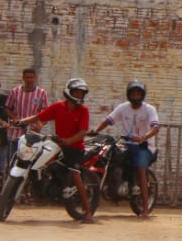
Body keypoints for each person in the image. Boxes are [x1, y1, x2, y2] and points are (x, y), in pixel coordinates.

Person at [16, 78, 94, 224]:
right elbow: (39, 117)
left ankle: (88, 211)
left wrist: (69, 141)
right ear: (69, 92)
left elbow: (83, 131)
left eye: (81, 93)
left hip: (75, 148)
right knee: (38, 158)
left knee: (75, 174)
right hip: (57, 144)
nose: (78, 95)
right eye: (76, 92)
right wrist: (20, 121)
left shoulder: (83, 110)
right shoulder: (58, 107)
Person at [92, 80, 159, 219]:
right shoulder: (123, 108)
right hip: (127, 145)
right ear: (129, 95)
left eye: (138, 94)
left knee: (141, 168)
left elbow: (155, 127)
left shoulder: (149, 109)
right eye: (133, 94)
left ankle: (145, 209)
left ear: (142, 95)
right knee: (108, 158)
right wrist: (95, 131)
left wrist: (144, 137)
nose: (136, 96)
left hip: (144, 146)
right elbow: (109, 120)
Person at [5, 67, 49, 160]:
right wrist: (15, 118)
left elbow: (46, 113)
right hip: (15, 132)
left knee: (27, 160)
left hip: (32, 133)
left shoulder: (42, 93)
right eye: (27, 77)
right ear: (23, 78)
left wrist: (40, 125)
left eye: (31, 77)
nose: (29, 80)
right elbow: (7, 108)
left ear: (35, 78)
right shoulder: (15, 92)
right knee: (12, 159)